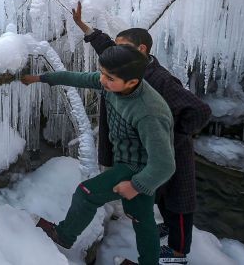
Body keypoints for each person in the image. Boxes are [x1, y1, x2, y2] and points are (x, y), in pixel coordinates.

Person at [72, 3, 211, 264]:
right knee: (157, 194)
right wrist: (84, 27)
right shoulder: (128, 65)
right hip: (147, 149)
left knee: (177, 201)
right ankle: (167, 229)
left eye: (121, 47)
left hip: (170, 152)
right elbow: (105, 47)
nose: (115, 52)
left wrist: (174, 136)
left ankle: (178, 253)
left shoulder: (160, 79)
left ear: (141, 50)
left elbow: (199, 110)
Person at [22, 45, 175, 265]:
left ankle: (64, 236)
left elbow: (164, 164)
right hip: (128, 160)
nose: (102, 80)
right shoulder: (113, 84)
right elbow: (79, 78)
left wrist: (135, 186)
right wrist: (41, 78)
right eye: (102, 73)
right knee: (142, 219)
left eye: (109, 77)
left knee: (86, 194)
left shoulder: (149, 112)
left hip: (139, 168)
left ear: (132, 82)